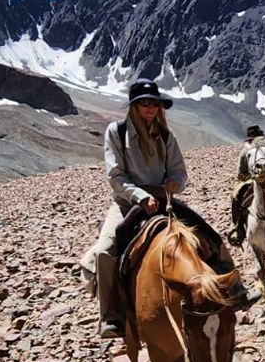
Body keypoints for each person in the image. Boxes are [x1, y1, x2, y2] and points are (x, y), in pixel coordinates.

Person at [80, 78, 247, 338]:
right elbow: (116, 176)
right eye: (144, 103)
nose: (150, 107)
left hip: (163, 199)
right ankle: (111, 315)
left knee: (210, 235)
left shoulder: (167, 135)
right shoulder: (117, 131)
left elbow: (179, 171)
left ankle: (234, 288)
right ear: (134, 106)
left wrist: (174, 184)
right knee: (104, 251)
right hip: (128, 202)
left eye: (154, 103)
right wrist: (140, 195)